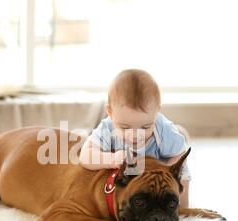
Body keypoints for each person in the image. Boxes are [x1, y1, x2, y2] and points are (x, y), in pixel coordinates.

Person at [79, 69, 191, 208]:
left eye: (145, 127)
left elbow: (179, 154)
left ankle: (183, 207)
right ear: (110, 113)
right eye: (125, 127)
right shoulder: (107, 127)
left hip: (157, 175)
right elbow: (85, 156)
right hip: (129, 179)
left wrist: (169, 173)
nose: (135, 135)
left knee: (183, 176)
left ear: (156, 112)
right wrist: (110, 159)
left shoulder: (163, 129)